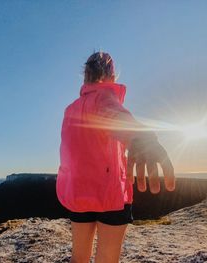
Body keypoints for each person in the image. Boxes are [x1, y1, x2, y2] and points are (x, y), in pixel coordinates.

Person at [56, 51, 175, 263]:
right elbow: (114, 117)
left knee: (78, 258)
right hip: (111, 195)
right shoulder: (104, 98)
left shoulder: (70, 109)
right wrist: (140, 137)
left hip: (77, 192)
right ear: (113, 76)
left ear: (85, 77)